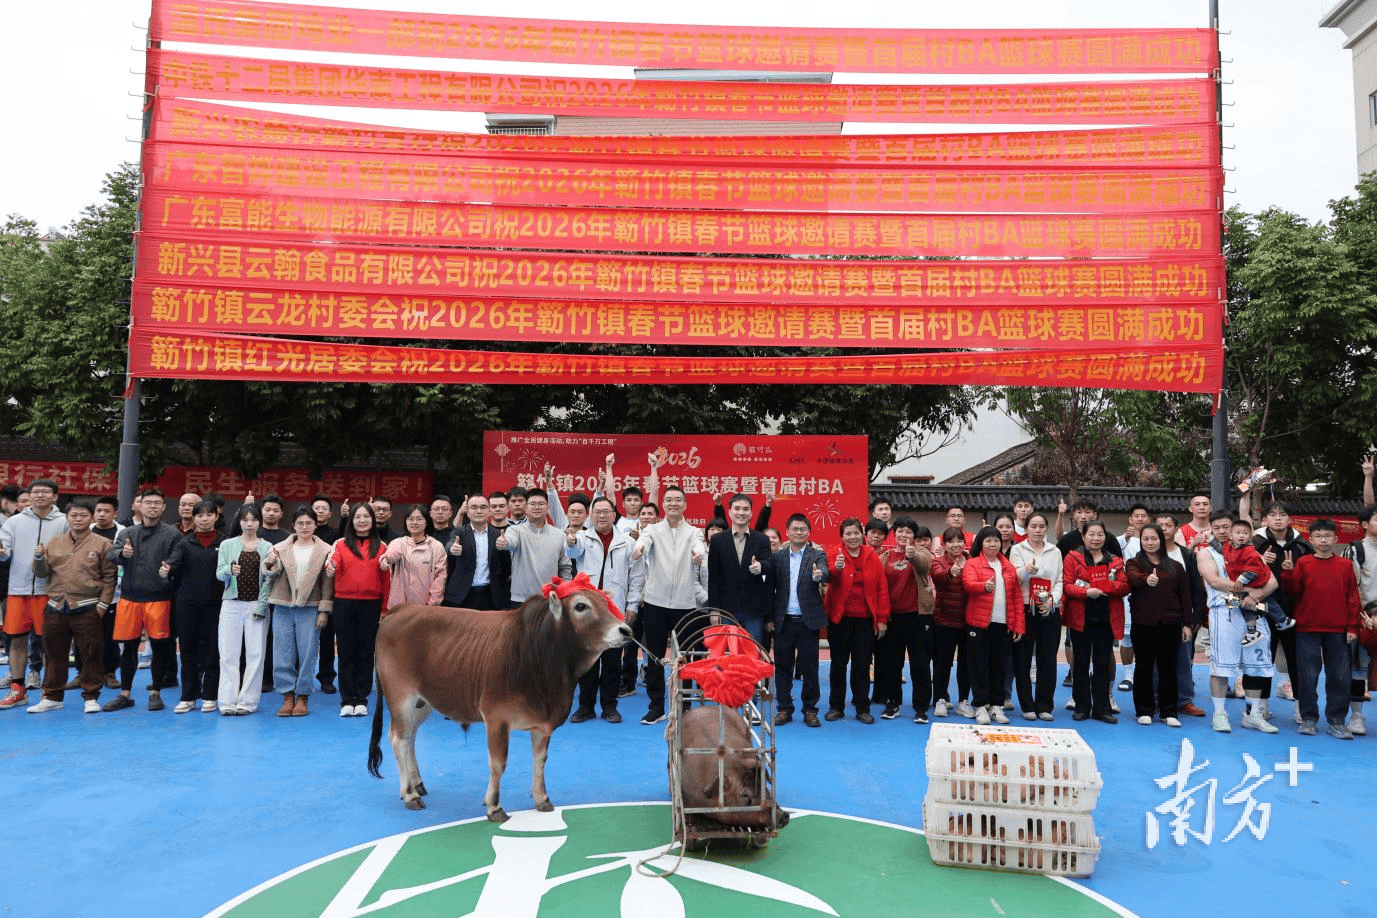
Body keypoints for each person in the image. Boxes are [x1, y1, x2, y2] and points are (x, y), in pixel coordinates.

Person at [25, 500, 116, 714]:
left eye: (83, 515)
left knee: (91, 653)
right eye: (73, 515)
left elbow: (110, 577)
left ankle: (91, 696)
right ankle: (52, 696)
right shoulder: (55, 542)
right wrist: (38, 557)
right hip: (56, 605)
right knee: (54, 653)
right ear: (67, 518)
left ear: (91, 518)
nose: (78, 519)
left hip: (88, 606)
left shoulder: (103, 543)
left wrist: (102, 605)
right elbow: (42, 573)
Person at [1194, 510, 1280, 734]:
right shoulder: (1205, 553)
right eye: (1217, 528)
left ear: (1234, 530)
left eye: (1226, 527)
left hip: (1254, 609)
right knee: (1222, 666)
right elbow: (1214, 581)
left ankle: (1253, 714)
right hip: (1224, 611)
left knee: (1256, 666)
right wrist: (1250, 590)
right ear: (1211, 530)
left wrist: (1257, 595)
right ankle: (1219, 714)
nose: (1222, 531)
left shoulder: (1250, 552)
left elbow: (1272, 582)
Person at [566, 496, 644, 724]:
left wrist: (632, 605)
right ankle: (585, 707)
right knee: (588, 661)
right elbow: (572, 552)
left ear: (613, 515)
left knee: (612, 662)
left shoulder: (627, 542)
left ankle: (610, 707)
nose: (601, 516)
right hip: (588, 612)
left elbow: (636, 577)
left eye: (605, 512)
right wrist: (570, 542)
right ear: (591, 516)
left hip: (614, 610)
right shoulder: (582, 538)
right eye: (597, 512)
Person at [631, 485, 705, 725]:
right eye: (669, 499)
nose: (674, 503)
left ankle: (684, 705)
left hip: (685, 604)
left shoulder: (694, 532)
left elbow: (699, 546)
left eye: (678, 500)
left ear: (685, 504)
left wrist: (698, 554)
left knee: (684, 656)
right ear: (663, 504)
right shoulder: (652, 530)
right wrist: (639, 548)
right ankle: (656, 707)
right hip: (655, 602)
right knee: (654, 655)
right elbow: (644, 541)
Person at [1282, 518, 1362, 738]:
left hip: (1338, 629)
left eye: (1327, 536)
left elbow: (1353, 597)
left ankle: (1337, 721)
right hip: (1307, 627)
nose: (1323, 540)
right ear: (1311, 539)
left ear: (1336, 539)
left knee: (1339, 677)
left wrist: (1353, 627)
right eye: (1318, 536)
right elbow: (1293, 591)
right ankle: (1308, 718)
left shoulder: (1345, 565)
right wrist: (1288, 573)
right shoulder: (1303, 563)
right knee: (1307, 676)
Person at [104, 488, 180, 713]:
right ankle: (125, 694)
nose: (152, 506)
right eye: (148, 502)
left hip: (160, 598)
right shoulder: (127, 533)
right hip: (130, 598)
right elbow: (112, 554)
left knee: (159, 647)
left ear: (163, 507)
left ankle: (155, 691)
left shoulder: (172, 534)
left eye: (157, 503)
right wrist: (123, 555)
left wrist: (170, 568)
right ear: (139, 505)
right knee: (128, 647)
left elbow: (178, 560)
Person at [0, 478, 66, 708]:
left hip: (50, 591)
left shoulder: (63, 522)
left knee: (50, 643)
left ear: (55, 496)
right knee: (16, 640)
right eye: (35, 491)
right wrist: (1, 551)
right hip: (17, 590)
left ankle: (50, 692)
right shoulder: (14, 522)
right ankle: (18, 689)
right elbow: (4, 550)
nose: (40, 495)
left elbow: (65, 554)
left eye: (45, 492)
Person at [263, 506, 335, 718]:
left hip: (310, 607)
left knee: (308, 653)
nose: (304, 527)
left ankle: (303, 696)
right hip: (282, 605)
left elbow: (327, 583)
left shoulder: (326, 550)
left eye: (309, 523)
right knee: (282, 652)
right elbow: (270, 573)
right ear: (293, 525)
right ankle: (287, 695)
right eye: (300, 523)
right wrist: (270, 562)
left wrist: (324, 610)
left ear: (315, 525)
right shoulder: (279, 548)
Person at [1124, 523, 1194, 727]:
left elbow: (1185, 596)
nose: (1150, 543)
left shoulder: (1176, 566)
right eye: (1145, 539)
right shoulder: (1134, 563)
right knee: (1143, 667)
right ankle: (1144, 710)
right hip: (1143, 623)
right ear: (1141, 541)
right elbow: (1132, 578)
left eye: (1154, 538)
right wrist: (1147, 579)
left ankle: (1169, 711)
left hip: (1171, 623)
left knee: (1168, 668)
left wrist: (1187, 624)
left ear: (1161, 540)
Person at [822, 517, 890, 724]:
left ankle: (862, 707)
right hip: (840, 619)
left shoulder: (871, 556)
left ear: (862, 535)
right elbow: (827, 577)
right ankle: (836, 706)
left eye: (856, 533)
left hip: (865, 620)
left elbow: (881, 588)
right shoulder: (834, 553)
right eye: (848, 534)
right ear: (842, 536)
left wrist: (882, 618)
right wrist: (837, 568)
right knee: (838, 664)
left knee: (862, 665)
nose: (852, 537)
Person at [1062, 520, 1130, 724]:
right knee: (1081, 663)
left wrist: (1105, 587)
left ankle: (1102, 708)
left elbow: (1125, 586)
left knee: (1102, 664)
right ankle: (1081, 706)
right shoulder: (1073, 557)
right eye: (1091, 534)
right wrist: (1086, 592)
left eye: (1100, 534)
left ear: (1105, 537)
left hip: (1106, 619)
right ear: (1083, 536)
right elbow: (1067, 585)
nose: (1095, 538)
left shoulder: (1114, 560)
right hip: (1080, 618)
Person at [162, 498, 225, 713]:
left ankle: (210, 695)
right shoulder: (185, 543)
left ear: (216, 516)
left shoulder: (225, 543)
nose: (204, 519)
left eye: (208, 515)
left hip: (216, 604)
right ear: (194, 518)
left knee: (213, 650)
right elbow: (174, 561)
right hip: (187, 604)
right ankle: (188, 696)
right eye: (199, 515)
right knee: (188, 650)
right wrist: (167, 568)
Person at [329, 503, 390, 718]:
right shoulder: (340, 544)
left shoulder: (382, 546)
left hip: (371, 604)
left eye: (366, 516)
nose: (362, 521)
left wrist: (384, 608)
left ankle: (362, 699)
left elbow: (386, 579)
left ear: (372, 520)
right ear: (351, 520)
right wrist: (331, 566)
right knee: (346, 652)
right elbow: (333, 561)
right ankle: (347, 700)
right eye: (357, 517)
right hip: (344, 603)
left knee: (366, 653)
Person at [770, 514, 829, 727]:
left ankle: (810, 710)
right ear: (787, 532)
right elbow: (770, 588)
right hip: (783, 620)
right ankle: (784, 708)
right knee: (782, 667)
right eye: (795, 529)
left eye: (802, 529)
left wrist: (819, 575)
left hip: (807, 621)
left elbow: (826, 572)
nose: (798, 532)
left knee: (810, 668)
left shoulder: (817, 555)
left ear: (808, 532)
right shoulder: (778, 557)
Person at [962, 525, 1024, 726]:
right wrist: (983, 586)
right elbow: (968, 584)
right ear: (981, 543)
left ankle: (997, 705)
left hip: (1003, 624)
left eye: (996, 540)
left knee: (1000, 666)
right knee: (979, 665)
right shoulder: (972, 564)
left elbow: (1016, 597)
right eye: (988, 540)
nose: (993, 544)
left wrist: (1018, 625)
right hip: (978, 624)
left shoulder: (1008, 566)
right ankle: (980, 705)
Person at [876, 519, 935, 723]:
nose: (904, 535)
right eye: (900, 531)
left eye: (908, 532)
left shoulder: (922, 553)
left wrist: (912, 556)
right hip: (893, 618)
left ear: (914, 536)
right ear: (894, 533)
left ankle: (921, 708)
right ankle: (892, 704)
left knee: (920, 665)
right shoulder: (885, 557)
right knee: (891, 664)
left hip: (918, 616)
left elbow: (924, 565)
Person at [216, 504, 272, 715]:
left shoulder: (267, 547)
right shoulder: (227, 545)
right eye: (245, 519)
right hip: (231, 604)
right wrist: (229, 570)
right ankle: (227, 701)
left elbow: (269, 579)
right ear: (239, 522)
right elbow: (219, 573)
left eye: (254, 519)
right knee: (227, 654)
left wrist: (262, 605)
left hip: (256, 604)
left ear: (259, 522)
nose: (249, 524)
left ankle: (248, 702)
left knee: (255, 654)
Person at [1009, 512, 1063, 721]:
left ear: (1046, 529)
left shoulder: (1055, 551)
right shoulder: (1017, 549)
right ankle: (1027, 705)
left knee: (1047, 658)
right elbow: (1013, 577)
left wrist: (1052, 600)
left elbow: (1059, 580)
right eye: (1033, 526)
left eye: (1041, 526)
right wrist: (1026, 569)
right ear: (1026, 529)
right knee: (1022, 658)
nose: (1037, 530)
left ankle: (1044, 705)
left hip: (1048, 608)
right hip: (1025, 607)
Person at [1155, 513, 1209, 718]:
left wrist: (1196, 617)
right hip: (1153, 617)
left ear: (1176, 530)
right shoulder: (1146, 555)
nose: (1164, 529)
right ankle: (1156, 699)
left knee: (1183, 660)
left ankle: (1184, 700)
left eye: (1168, 525)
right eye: (1160, 525)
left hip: (1180, 618)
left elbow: (1197, 588)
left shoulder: (1186, 555)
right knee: (1154, 661)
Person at [707, 495, 775, 646]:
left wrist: (760, 567)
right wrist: (714, 610)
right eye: (737, 508)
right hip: (726, 609)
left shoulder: (761, 539)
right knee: (729, 652)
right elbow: (713, 578)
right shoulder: (718, 540)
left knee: (752, 651)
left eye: (745, 509)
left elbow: (769, 565)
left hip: (754, 610)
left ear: (751, 513)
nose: (741, 513)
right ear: (730, 512)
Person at [930, 526, 974, 718]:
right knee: (943, 663)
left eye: (959, 540)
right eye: (951, 541)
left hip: (968, 621)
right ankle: (940, 699)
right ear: (944, 544)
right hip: (944, 620)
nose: (956, 544)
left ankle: (963, 701)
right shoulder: (937, 562)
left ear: (964, 542)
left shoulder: (972, 562)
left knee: (966, 664)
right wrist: (951, 572)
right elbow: (938, 578)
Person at [496, 491, 568, 606]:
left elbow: (565, 568)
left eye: (541, 504)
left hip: (550, 599)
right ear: (526, 508)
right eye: (532, 504)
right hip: (520, 599)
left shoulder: (559, 535)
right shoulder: (515, 530)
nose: (537, 507)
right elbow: (510, 541)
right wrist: (504, 542)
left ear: (548, 507)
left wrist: (566, 592)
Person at [441, 493, 510, 611]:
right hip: (462, 596)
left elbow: (505, 568)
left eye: (483, 507)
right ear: (467, 512)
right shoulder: (459, 533)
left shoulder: (498, 535)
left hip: (490, 596)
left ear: (489, 511)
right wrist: (452, 549)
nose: (479, 511)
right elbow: (449, 544)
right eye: (474, 507)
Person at [382, 505, 447, 610]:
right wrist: (387, 560)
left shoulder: (436, 547)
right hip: (399, 607)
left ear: (427, 522)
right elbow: (388, 558)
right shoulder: (398, 543)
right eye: (411, 519)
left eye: (419, 519)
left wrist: (433, 603)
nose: (414, 522)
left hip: (425, 607)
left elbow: (440, 577)